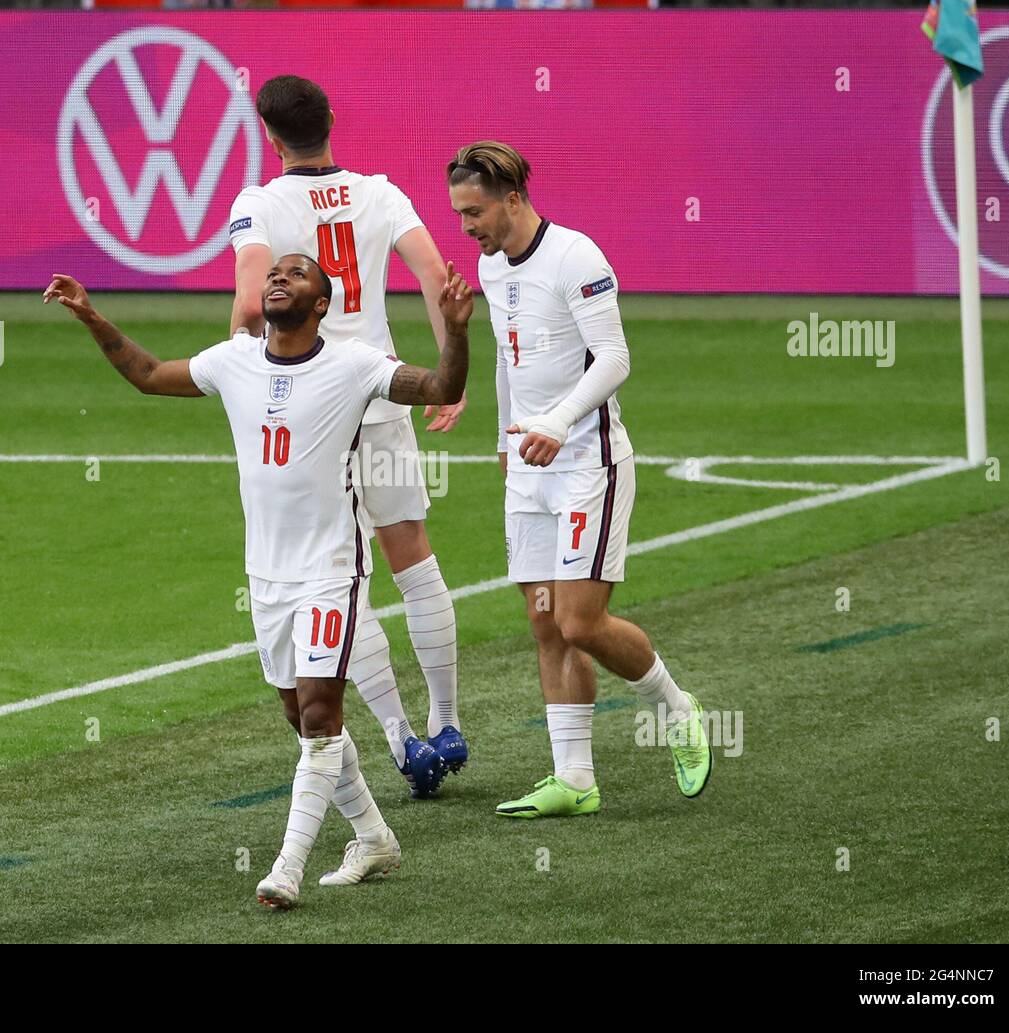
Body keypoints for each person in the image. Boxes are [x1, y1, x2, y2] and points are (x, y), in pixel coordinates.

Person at [44, 254, 472, 907]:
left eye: (297, 275)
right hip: (266, 576)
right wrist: (93, 316)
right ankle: (374, 837)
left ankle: (287, 867)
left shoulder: (354, 364)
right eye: (275, 273)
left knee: (324, 712)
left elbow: (439, 388)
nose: (278, 278)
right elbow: (152, 375)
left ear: (322, 303)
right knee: (301, 716)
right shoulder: (234, 359)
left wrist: (458, 331)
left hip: (331, 569)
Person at [446, 141, 711, 819]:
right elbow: (510, 361)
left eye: (475, 210)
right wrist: (503, 437)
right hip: (528, 466)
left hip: (587, 461)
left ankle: (678, 709)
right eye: (460, 213)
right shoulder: (490, 266)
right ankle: (575, 778)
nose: (467, 226)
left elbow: (616, 358)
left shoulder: (576, 258)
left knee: (579, 619)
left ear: (512, 197)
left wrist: (560, 421)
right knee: (544, 626)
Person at [228, 75, 467, 796]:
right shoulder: (380, 192)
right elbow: (434, 272)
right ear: (333, 118)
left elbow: (247, 296)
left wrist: (243, 367)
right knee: (412, 556)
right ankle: (448, 719)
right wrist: (449, 367)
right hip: (383, 391)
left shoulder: (260, 203)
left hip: (310, 411)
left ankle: (401, 740)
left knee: (336, 577)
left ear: (270, 137)